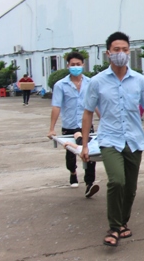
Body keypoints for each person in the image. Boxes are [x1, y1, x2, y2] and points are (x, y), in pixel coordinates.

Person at [80, 32, 144, 247]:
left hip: (134, 140)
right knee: (117, 181)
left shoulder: (140, 81)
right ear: (108, 53)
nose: (121, 54)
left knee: (130, 188)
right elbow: (88, 112)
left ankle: (123, 222)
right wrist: (85, 145)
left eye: (125, 50)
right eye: (116, 50)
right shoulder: (97, 81)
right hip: (109, 139)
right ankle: (114, 226)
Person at [47, 51, 100, 196]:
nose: (75, 67)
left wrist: (103, 119)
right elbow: (56, 106)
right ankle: (72, 171)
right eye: (73, 65)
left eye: (78, 64)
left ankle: (90, 183)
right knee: (71, 156)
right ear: (68, 66)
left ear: (83, 65)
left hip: (86, 125)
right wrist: (51, 129)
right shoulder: (61, 85)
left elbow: (95, 104)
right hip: (69, 125)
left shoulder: (90, 83)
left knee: (90, 153)